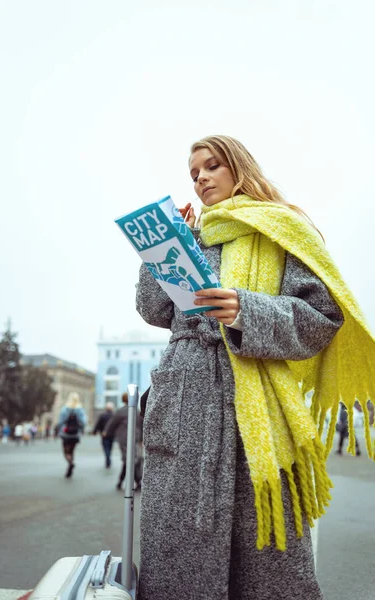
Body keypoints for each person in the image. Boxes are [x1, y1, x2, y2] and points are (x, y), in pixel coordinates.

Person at [135, 135, 375, 600]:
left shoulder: (282, 229)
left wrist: (247, 310)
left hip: (258, 408)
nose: (201, 178)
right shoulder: (194, 238)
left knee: (267, 559)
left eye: (211, 166)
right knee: (178, 546)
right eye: (193, 173)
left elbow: (322, 317)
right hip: (186, 398)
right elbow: (152, 309)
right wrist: (163, 251)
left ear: (238, 167)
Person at [104, 392, 143, 491]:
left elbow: (112, 423)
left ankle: (132, 481)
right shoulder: (137, 411)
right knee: (131, 459)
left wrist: (107, 433)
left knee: (129, 459)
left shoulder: (120, 411)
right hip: (136, 438)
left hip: (124, 438)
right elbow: (142, 425)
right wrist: (142, 439)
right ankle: (134, 481)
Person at [58, 392, 87, 478]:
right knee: (72, 451)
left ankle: (70, 463)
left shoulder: (65, 409)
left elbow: (61, 421)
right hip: (75, 433)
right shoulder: (80, 409)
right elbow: (83, 422)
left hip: (65, 433)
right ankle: (70, 467)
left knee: (66, 451)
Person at [93, 402, 115, 468]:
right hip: (112, 435)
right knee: (110, 447)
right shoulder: (114, 415)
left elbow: (98, 424)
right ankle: (108, 458)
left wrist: (95, 431)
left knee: (106, 448)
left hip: (104, 434)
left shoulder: (102, 415)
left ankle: (107, 458)